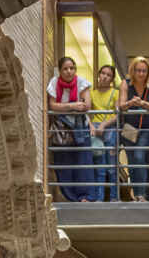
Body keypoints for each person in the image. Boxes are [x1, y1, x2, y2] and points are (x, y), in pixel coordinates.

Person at [46, 57, 97, 202]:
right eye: (65, 68)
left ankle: (85, 197)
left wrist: (64, 107)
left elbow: (86, 105)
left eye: (71, 68)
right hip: (61, 128)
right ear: (60, 70)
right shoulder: (54, 83)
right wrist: (73, 105)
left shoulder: (81, 82)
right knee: (63, 163)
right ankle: (70, 197)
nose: (69, 71)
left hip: (80, 127)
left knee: (83, 162)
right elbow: (52, 105)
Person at [119, 57, 149, 202]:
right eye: (138, 70)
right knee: (132, 161)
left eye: (144, 71)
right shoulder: (125, 83)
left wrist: (143, 103)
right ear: (133, 71)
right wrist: (130, 102)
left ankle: (141, 193)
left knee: (139, 156)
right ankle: (136, 194)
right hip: (129, 127)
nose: (141, 74)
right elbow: (121, 106)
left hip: (146, 127)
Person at [89, 63, 120, 201]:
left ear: (112, 79)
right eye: (103, 73)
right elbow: (87, 113)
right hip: (96, 132)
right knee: (100, 167)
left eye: (108, 75)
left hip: (110, 130)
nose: (105, 77)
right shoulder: (92, 93)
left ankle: (114, 197)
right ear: (99, 75)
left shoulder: (116, 93)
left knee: (112, 167)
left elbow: (118, 115)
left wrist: (103, 124)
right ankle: (99, 198)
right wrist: (91, 126)